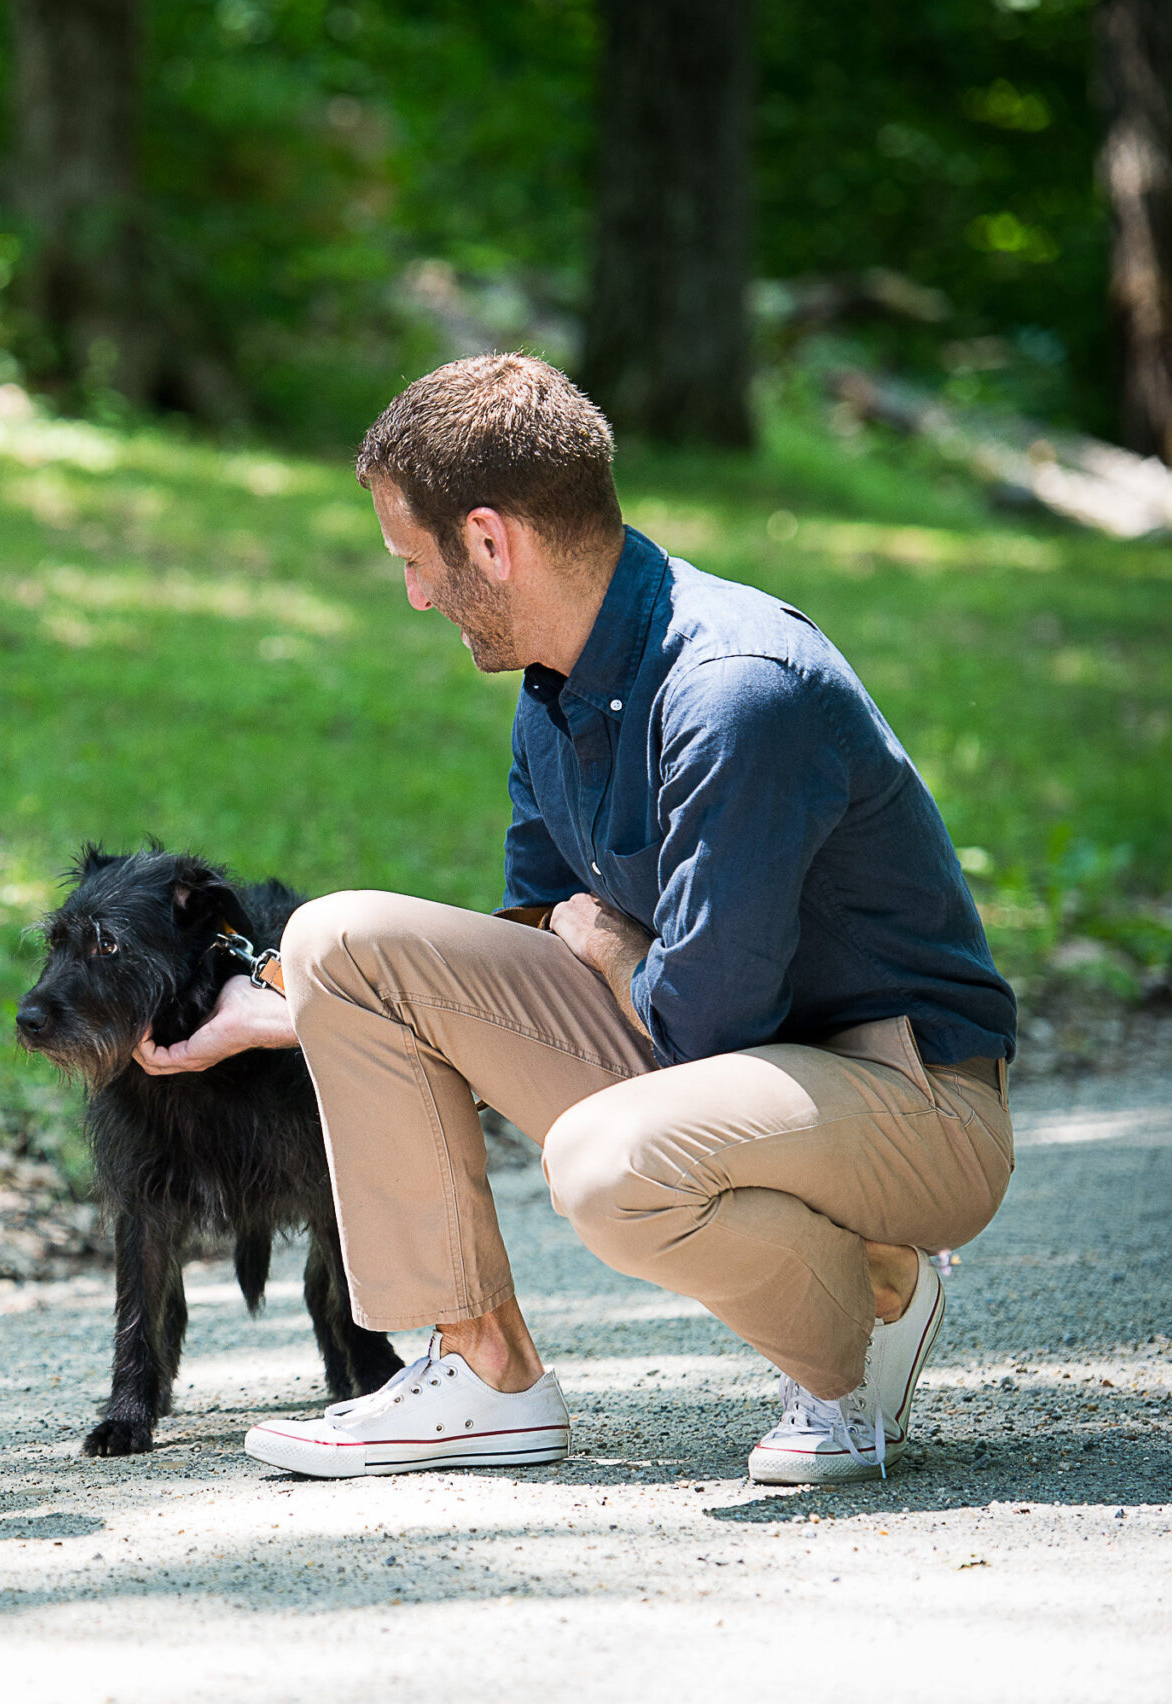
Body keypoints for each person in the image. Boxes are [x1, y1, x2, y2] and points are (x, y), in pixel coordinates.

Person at [141, 354, 1016, 1485]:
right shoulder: (555, 690)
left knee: (607, 1165)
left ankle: (867, 1311)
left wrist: (606, 943)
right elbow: (518, 950)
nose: (412, 593)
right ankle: (481, 1370)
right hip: (721, 1054)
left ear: (492, 543)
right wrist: (286, 1012)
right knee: (336, 940)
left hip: (908, 1101)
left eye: (414, 561)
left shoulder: (733, 687)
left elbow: (702, 1019)